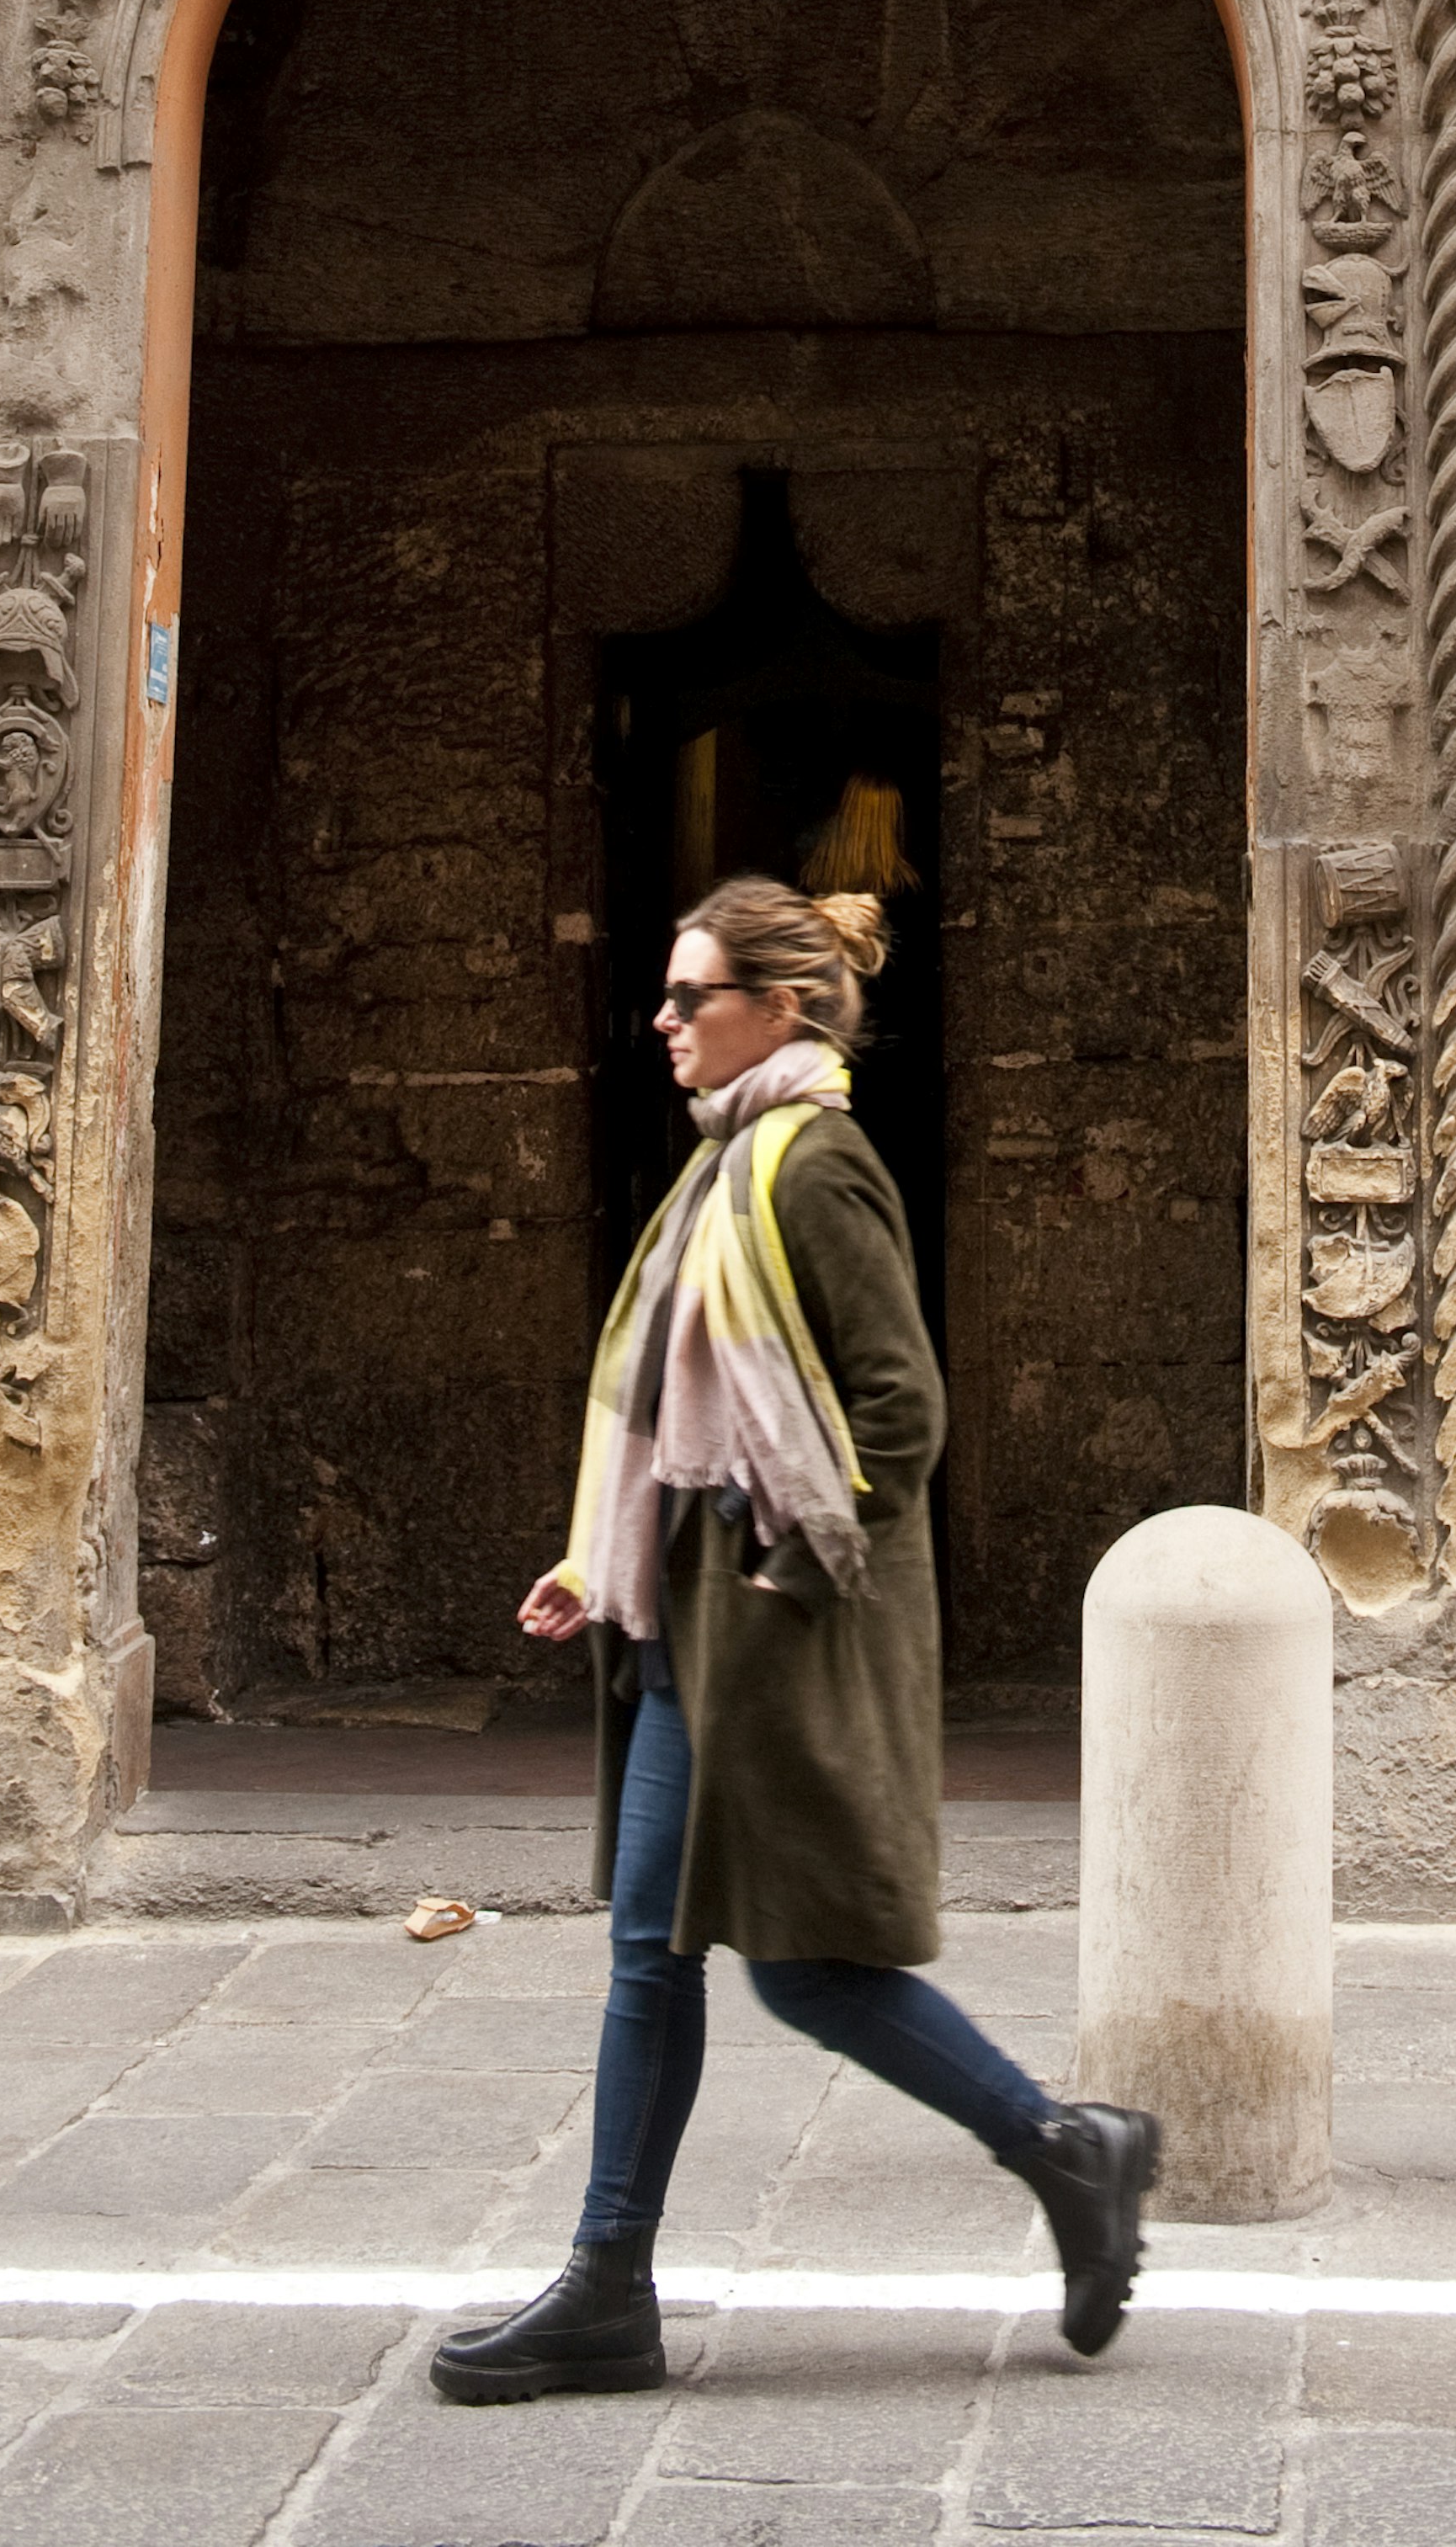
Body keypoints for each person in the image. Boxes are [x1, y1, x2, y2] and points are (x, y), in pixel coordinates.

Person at [432, 871, 1161, 2406]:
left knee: (804, 1971)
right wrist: (598, 1555)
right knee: (657, 1949)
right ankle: (610, 2286)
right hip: (695, 1609)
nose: (666, 1018)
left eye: (695, 994)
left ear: (782, 1006)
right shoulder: (726, 1164)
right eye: (672, 990)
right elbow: (675, 1410)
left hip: (779, 1614)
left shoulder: (810, 1166)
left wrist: (794, 1575)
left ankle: (1068, 2151)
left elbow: (903, 1406)